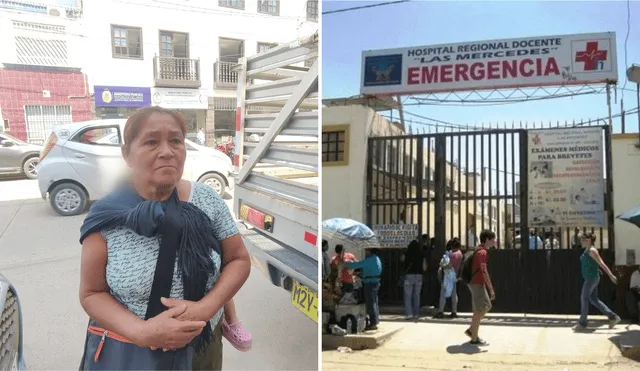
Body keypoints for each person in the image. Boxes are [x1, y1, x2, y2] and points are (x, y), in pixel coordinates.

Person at [78, 107, 252, 370]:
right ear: (127, 154)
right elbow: (92, 293)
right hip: (131, 353)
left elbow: (238, 258)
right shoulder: (107, 215)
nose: (167, 151)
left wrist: (206, 308)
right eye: (151, 142)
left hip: (203, 347)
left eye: (175, 141)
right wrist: (142, 332)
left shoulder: (207, 201)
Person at [573, 232, 620, 331]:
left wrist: (611, 275)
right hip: (590, 277)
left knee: (584, 298)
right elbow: (593, 263)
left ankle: (582, 323)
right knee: (593, 299)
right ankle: (613, 317)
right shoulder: (587, 250)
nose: (581, 241)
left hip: (592, 278)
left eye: (583, 239)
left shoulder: (592, 250)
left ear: (588, 240)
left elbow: (602, 264)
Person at [465, 229, 496, 346]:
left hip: (477, 283)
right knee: (479, 310)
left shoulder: (479, 250)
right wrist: (491, 289)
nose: (494, 241)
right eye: (493, 239)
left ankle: (471, 330)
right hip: (477, 283)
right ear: (487, 240)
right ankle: (474, 338)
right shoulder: (482, 253)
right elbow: (484, 271)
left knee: (486, 306)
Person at [345, 248, 382, 331]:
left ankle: (373, 323)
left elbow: (357, 265)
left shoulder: (370, 259)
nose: (365, 252)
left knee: (370, 303)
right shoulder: (376, 258)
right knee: (375, 302)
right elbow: (368, 269)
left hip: (370, 283)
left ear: (369, 251)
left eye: (366, 250)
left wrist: (346, 264)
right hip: (375, 282)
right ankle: (375, 321)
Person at [435, 238, 462, 319]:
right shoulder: (460, 253)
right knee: (454, 294)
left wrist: (442, 266)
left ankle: (440, 311)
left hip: (448, 276)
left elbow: (449, 265)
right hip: (455, 276)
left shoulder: (454, 254)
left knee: (443, 293)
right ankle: (454, 311)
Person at [400, 240, 426, 320]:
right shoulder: (421, 254)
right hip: (419, 276)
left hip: (409, 276)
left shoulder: (406, 253)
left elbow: (401, 260)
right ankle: (416, 314)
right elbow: (424, 267)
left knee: (408, 296)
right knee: (416, 295)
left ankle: (409, 314)